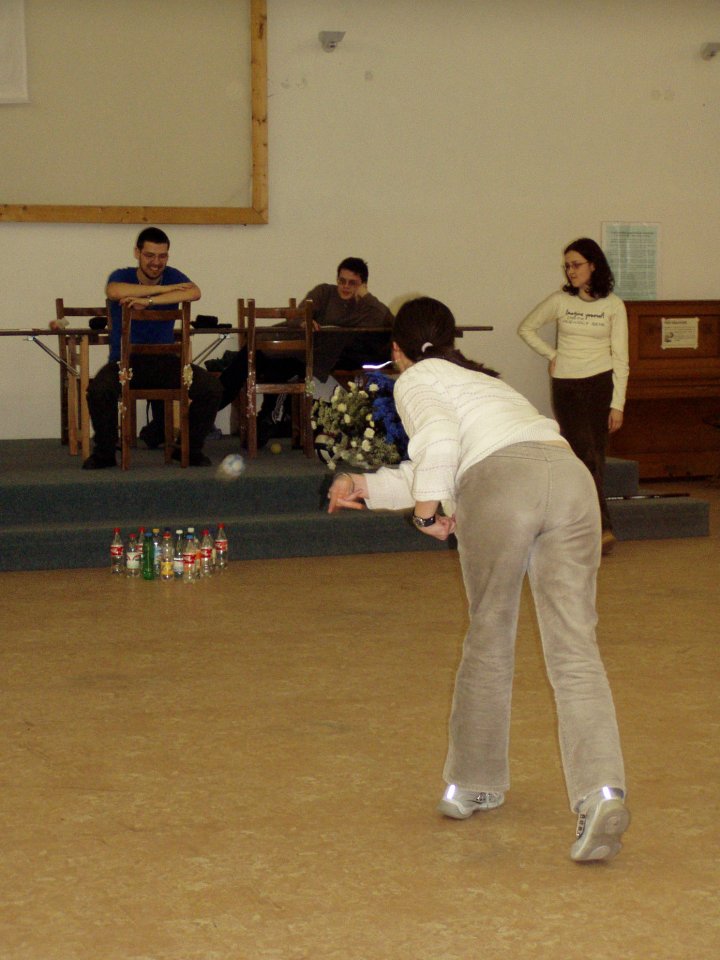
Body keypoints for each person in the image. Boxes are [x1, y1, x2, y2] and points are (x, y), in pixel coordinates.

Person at [327, 296, 630, 862]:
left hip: (502, 488)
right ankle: (602, 793)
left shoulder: (416, 378)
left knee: (490, 637)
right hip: (571, 482)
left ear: (397, 350)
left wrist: (425, 517)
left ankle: (474, 782)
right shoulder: (485, 382)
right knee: (575, 649)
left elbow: (441, 445)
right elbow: (440, 462)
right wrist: (365, 486)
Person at [517, 238, 629, 555]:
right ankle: (601, 529)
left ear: (593, 265)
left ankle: (587, 528)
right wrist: (553, 354)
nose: (571, 271)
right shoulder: (561, 300)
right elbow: (526, 328)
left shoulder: (613, 305)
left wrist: (617, 404)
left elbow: (621, 359)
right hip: (567, 386)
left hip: (600, 385)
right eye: (567, 266)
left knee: (596, 458)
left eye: (576, 264)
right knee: (584, 456)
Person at [83, 227, 222, 469]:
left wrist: (148, 301)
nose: (156, 263)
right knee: (98, 390)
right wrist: (165, 289)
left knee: (212, 388)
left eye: (162, 256)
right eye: (149, 255)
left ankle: (188, 449)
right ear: (137, 253)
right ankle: (105, 453)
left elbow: (194, 292)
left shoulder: (173, 275)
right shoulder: (123, 275)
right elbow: (114, 291)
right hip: (124, 363)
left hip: (165, 363)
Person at [216, 257, 393, 437]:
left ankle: (266, 420)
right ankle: (214, 404)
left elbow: (388, 321)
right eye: (342, 280)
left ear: (363, 284)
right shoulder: (324, 292)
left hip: (309, 357)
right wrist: (304, 322)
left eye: (352, 283)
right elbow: (298, 315)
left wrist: (366, 296)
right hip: (285, 346)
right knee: (246, 360)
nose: (345, 286)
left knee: (277, 370)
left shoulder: (366, 306)